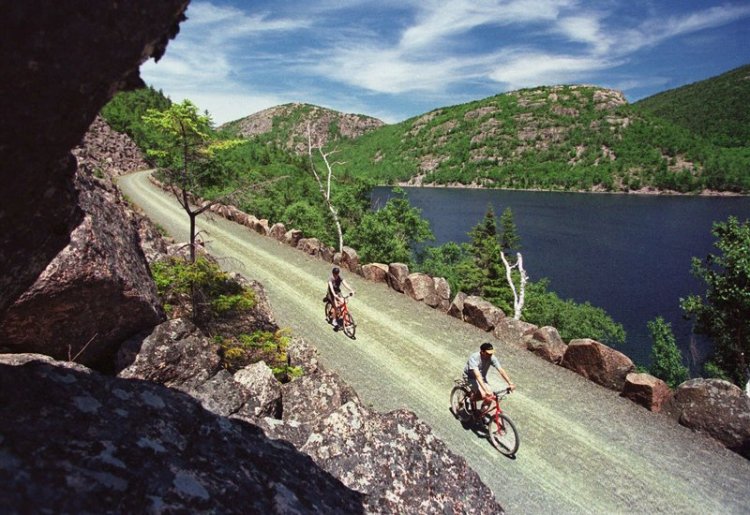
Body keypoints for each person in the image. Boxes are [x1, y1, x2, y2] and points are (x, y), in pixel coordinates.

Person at [463, 342, 515, 416]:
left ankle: (480, 413)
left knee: (491, 396)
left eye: (491, 353)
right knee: (484, 394)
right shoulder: (474, 357)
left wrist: (510, 383)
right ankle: (469, 400)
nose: (490, 355)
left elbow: (501, 370)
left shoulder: (491, 358)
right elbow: (477, 375)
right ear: (482, 352)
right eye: (488, 353)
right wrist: (485, 390)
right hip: (470, 377)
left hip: (482, 378)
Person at [327, 267, 355, 331]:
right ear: (333, 273)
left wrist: (351, 290)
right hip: (331, 294)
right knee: (336, 306)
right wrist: (334, 294)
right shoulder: (330, 279)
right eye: (335, 274)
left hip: (338, 292)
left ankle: (346, 321)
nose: (336, 276)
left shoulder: (340, 277)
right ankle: (334, 320)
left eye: (337, 274)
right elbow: (331, 287)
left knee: (343, 303)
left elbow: (345, 284)